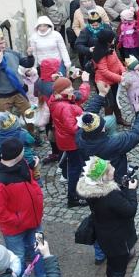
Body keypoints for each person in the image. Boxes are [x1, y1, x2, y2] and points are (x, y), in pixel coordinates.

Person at [77, 157, 139, 277]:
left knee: (113, 269)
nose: (113, 169)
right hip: (118, 239)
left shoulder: (93, 191)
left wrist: (122, 188)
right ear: (104, 177)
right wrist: (131, 190)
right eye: (110, 168)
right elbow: (130, 210)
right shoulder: (109, 196)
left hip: (106, 236)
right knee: (117, 271)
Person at [0, 138, 44, 275]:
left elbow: (31, 182)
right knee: (18, 258)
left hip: (35, 221)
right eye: (22, 149)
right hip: (14, 229)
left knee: (40, 248)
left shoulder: (22, 163)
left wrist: (39, 198)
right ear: (17, 153)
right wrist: (18, 220)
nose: (24, 150)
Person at [48, 73, 91, 207]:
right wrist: (85, 121)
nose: (72, 89)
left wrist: (84, 83)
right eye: (68, 87)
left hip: (68, 141)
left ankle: (78, 192)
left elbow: (79, 97)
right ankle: (73, 197)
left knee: (78, 165)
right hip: (73, 142)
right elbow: (72, 128)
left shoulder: (59, 100)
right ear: (60, 91)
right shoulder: (64, 107)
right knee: (76, 168)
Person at [0, 28, 35, 115]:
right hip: (2, 96)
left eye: (4, 42)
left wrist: (30, 56)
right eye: (0, 43)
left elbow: (27, 64)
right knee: (6, 123)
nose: (3, 45)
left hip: (18, 91)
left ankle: (30, 129)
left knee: (29, 115)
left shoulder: (11, 52)